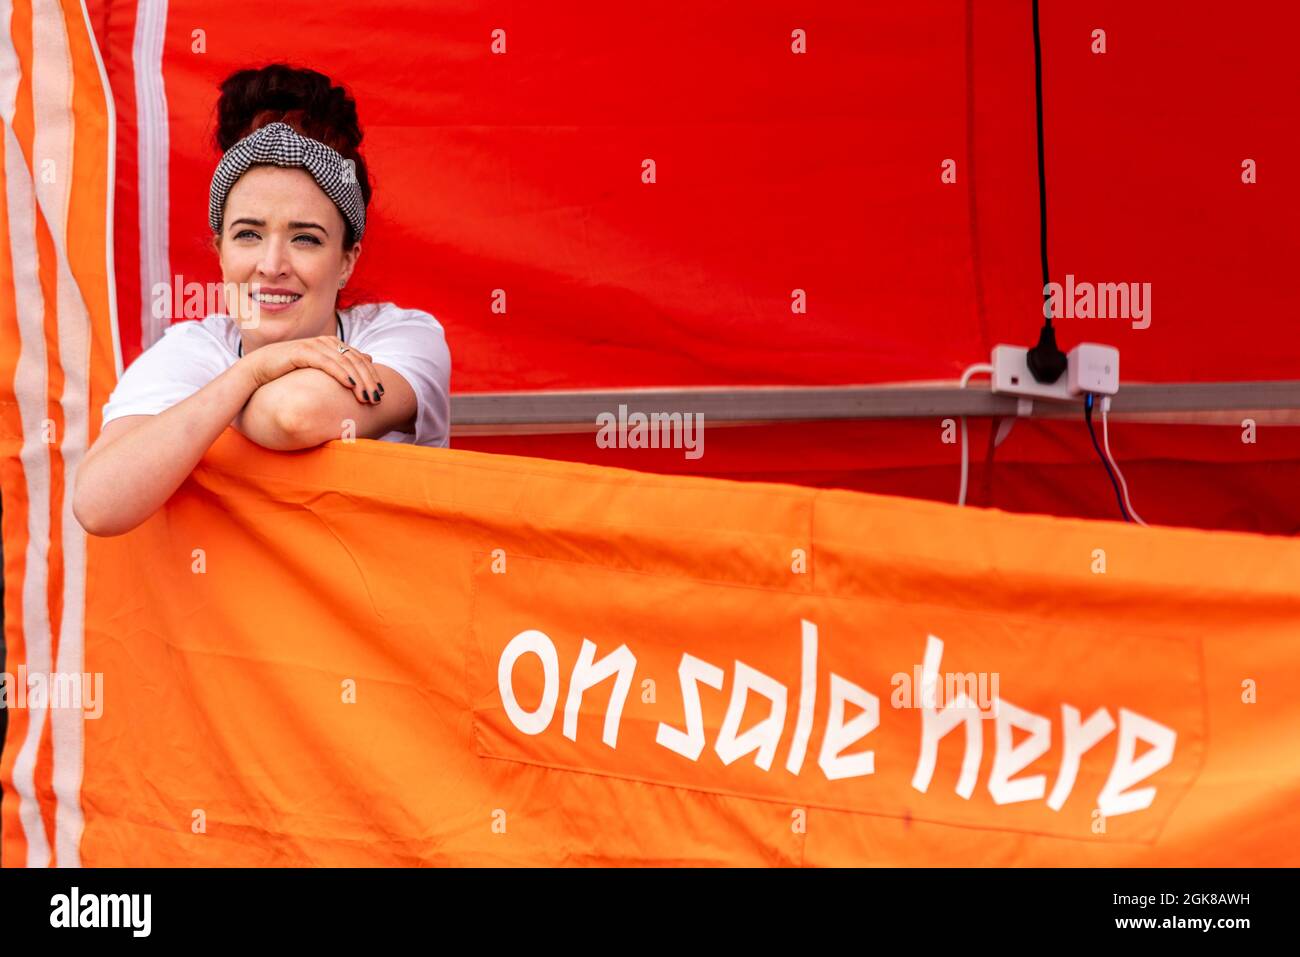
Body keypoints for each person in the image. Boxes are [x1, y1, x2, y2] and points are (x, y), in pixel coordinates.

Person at [74, 64, 451, 538]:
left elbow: (294, 416)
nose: (272, 264)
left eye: (306, 239)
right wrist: (253, 369)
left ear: (346, 261)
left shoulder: (404, 337)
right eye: (248, 234)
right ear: (220, 252)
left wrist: (226, 392)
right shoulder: (193, 347)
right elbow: (98, 505)